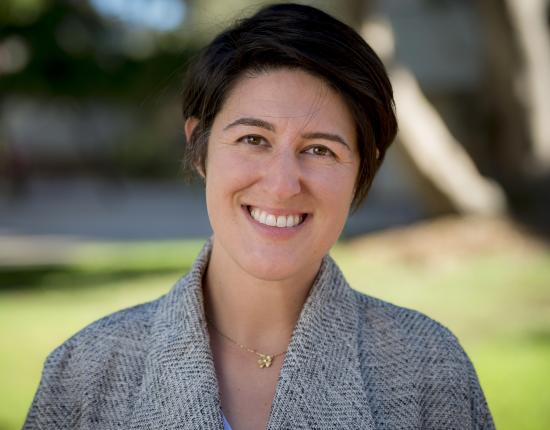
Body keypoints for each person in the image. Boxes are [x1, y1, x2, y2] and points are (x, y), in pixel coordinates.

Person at [24, 3, 494, 429]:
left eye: (319, 149)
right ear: (199, 147)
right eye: (254, 140)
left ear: (361, 168)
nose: (282, 184)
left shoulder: (432, 370)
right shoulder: (85, 370)